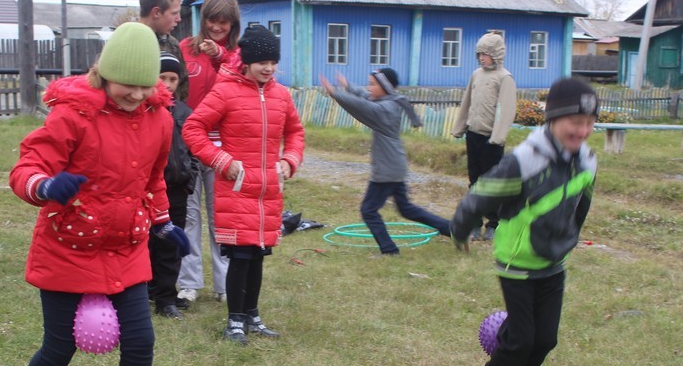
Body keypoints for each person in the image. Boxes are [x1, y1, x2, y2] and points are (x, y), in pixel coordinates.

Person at [7, 22, 189, 366]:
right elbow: (26, 167)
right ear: (104, 73)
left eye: (145, 86)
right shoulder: (73, 115)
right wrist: (45, 186)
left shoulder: (159, 119)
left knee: (141, 340)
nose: (136, 95)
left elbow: (153, 180)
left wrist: (162, 223)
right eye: (127, 84)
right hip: (68, 247)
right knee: (59, 347)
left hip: (126, 247)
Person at [450, 77, 599, 366]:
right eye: (575, 122)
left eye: (590, 123)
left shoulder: (588, 161)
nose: (583, 131)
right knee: (520, 340)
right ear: (554, 119)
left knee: (545, 339)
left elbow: (582, 206)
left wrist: (568, 238)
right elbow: (482, 194)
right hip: (517, 261)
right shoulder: (524, 161)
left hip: (553, 262)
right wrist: (461, 226)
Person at [182, 25, 304, 344]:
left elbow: (295, 132)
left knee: (258, 254)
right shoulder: (225, 92)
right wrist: (222, 161)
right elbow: (193, 128)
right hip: (236, 189)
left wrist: (289, 160)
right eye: (263, 62)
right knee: (240, 256)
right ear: (247, 61)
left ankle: (252, 315)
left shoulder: (281, 95)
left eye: (273, 62)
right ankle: (234, 320)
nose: (269, 68)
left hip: (268, 191)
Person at [320, 67, 451, 255]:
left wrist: (335, 93)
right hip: (394, 165)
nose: (369, 87)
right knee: (406, 209)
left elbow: (362, 106)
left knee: (368, 210)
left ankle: (389, 250)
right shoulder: (387, 100)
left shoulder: (386, 109)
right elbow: (364, 96)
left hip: (387, 169)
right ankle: (451, 229)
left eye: (372, 84)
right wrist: (348, 86)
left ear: (385, 87)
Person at [176, 0, 241, 305]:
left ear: (233, 24)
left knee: (220, 216)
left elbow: (240, 86)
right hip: (187, 145)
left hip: (222, 148)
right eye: (212, 21)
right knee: (188, 216)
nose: (216, 27)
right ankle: (188, 283)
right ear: (202, 20)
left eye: (223, 23)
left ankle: (224, 284)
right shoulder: (185, 49)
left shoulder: (238, 54)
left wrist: (221, 56)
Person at [452, 31, 517, 241]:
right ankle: (475, 221)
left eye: (486, 54)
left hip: (491, 139)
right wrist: (460, 127)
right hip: (473, 135)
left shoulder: (504, 78)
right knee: (475, 180)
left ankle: (493, 223)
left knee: (492, 184)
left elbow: (506, 110)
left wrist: (497, 138)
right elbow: (467, 102)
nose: (482, 58)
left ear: (496, 55)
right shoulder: (476, 75)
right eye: (479, 54)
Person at [149, 53, 198, 319]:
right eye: (162, 77)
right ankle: (149, 289)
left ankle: (166, 297)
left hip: (177, 190)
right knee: (148, 242)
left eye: (173, 79)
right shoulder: (145, 110)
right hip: (150, 190)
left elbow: (194, 149)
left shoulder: (184, 113)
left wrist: (190, 179)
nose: (167, 84)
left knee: (171, 244)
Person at [137, 0, 188, 102]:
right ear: (156, 13)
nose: (179, 19)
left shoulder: (172, 44)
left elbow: (182, 87)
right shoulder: (127, 42)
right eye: (174, 13)